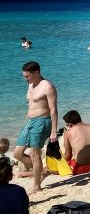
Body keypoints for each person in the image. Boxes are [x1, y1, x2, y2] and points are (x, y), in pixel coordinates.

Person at [13, 61, 57, 194]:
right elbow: (31, 105)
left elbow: (53, 109)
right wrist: (26, 122)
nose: (26, 79)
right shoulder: (31, 84)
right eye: (24, 76)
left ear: (36, 72)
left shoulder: (47, 86)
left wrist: (54, 130)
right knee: (17, 153)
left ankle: (37, 186)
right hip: (30, 122)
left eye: (27, 76)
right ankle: (41, 170)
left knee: (34, 154)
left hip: (43, 121)